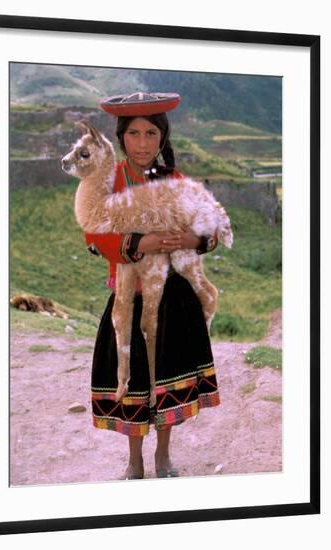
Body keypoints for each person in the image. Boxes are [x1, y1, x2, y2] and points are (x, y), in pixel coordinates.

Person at [84, 92, 220, 480]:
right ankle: (134, 460)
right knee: (134, 385)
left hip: (174, 299)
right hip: (130, 298)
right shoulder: (107, 182)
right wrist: (139, 243)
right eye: (134, 134)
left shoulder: (175, 180)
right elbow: (94, 236)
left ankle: (162, 455)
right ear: (122, 138)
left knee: (167, 383)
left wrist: (193, 241)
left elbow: (208, 227)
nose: (143, 143)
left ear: (162, 139)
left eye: (151, 133)